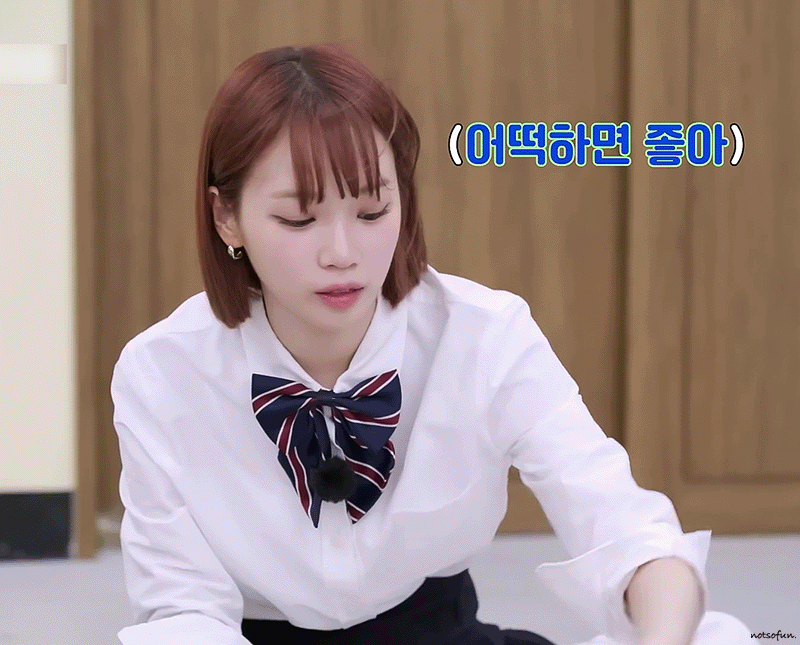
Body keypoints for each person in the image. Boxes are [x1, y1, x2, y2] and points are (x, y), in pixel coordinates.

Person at [110, 43, 754, 645]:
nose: (343, 253)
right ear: (227, 216)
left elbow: (626, 529)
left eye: (372, 212)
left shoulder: (484, 334)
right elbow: (182, 609)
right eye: (299, 219)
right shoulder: (161, 372)